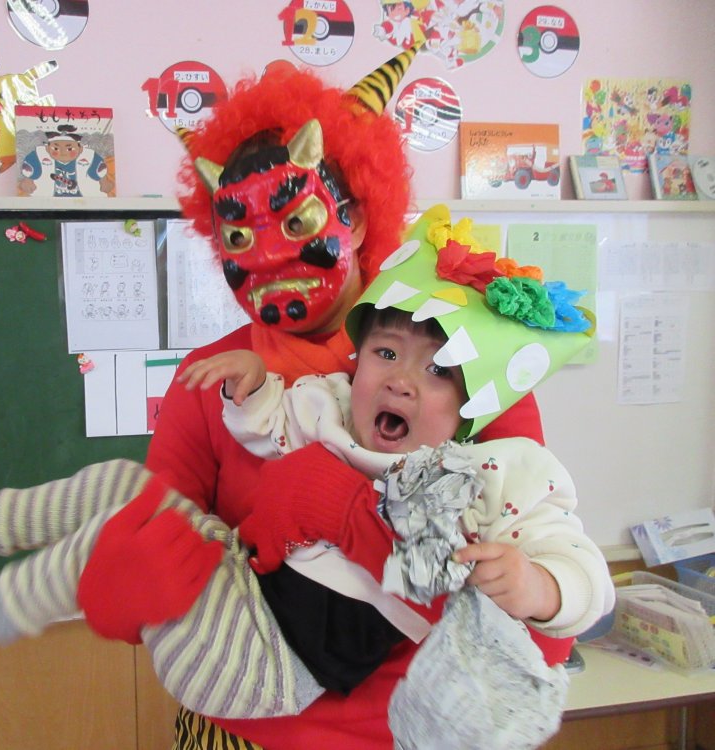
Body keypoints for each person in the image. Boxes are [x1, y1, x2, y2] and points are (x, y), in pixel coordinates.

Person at [0, 204, 613, 748]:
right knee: (127, 494)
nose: (400, 382)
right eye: (385, 356)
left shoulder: (492, 467)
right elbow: (271, 423)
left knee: (136, 525)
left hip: (268, 668)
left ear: (356, 221)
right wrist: (252, 384)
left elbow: (579, 574)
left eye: (434, 372)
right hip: (233, 620)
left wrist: (538, 587)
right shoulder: (331, 404)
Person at [73, 53, 555, 749]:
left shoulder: (465, 357)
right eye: (240, 236)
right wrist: (134, 570)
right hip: (241, 728)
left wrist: (349, 512)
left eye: (296, 221)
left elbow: (535, 578)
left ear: (354, 220)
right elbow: (161, 551)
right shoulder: (213, 380)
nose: (269, 256)